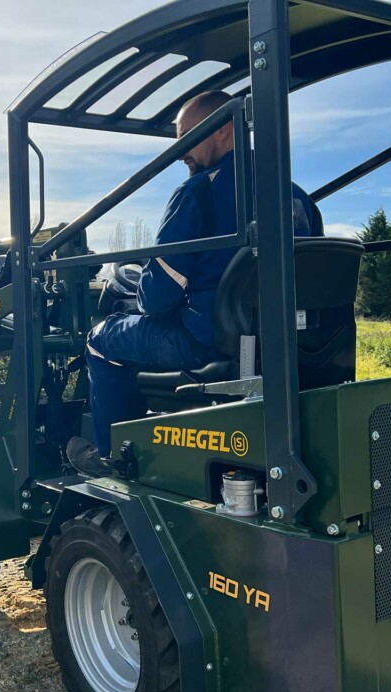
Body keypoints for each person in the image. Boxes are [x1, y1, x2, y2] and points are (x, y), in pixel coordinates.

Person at [66, 90, 323, 477]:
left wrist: (137, 299)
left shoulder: (198, 191)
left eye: (188, 137)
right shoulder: (295, 195)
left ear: (223, 130)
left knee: (102, 339)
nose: (181, 152)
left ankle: (113, 459)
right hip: (286, 341)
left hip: (205, 341)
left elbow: (156, 299)